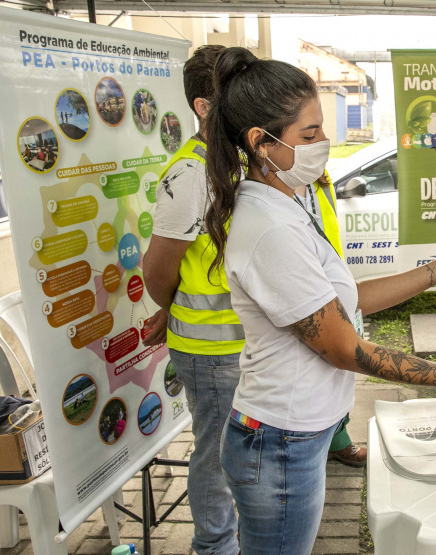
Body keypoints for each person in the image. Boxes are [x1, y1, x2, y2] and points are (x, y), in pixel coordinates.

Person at [202, 47, 436, 555]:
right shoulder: (270, 228)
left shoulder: (286, 203)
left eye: (323, 130)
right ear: (260, 143)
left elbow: (341, 302)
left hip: (292, 435)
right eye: (309, 135)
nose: (324, 144)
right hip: (278, 444)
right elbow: (345, 347)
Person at [141, 45, 244, 555]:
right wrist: (169, 306)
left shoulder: (235, 158)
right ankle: (213, 547)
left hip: (243, 344)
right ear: (204, 107)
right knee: (218, 458)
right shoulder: (191, 175)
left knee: (236, 453)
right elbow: (158, 271)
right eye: (236, 93)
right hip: (211, 352)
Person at [294, 172, 368, 466]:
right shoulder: (264, 196)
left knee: (338, 375)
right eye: (310, 133)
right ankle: (320, 442)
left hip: (333, 289)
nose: (322, 141)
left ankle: (337, 438)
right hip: (305, 301)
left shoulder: (317, 178)